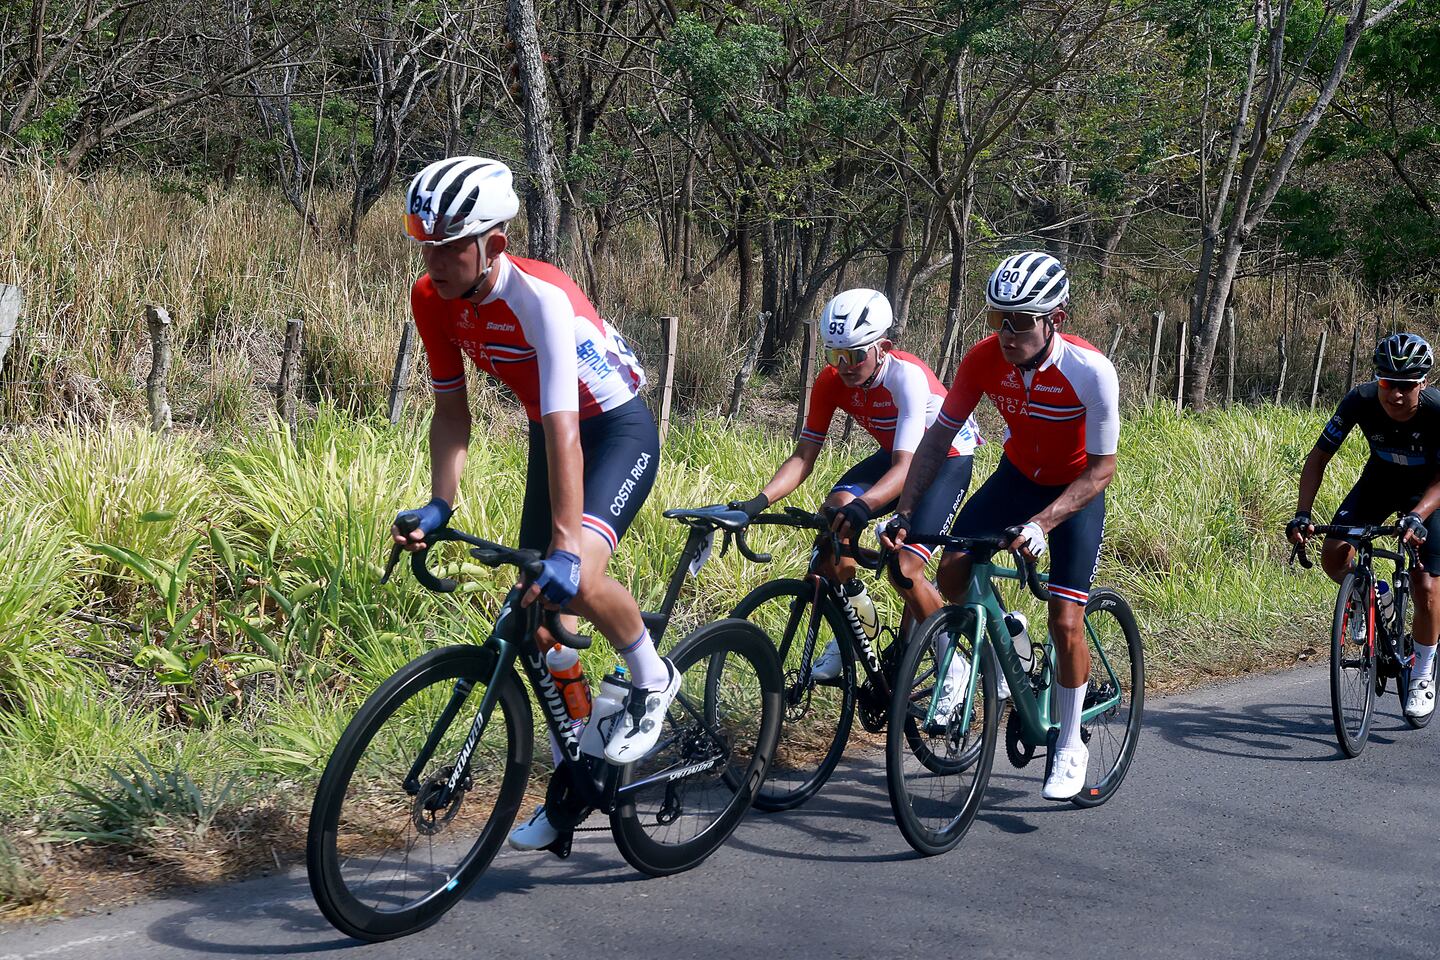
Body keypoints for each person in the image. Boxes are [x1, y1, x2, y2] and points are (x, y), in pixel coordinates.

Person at [392, 156, 674, 851]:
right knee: (536, 619)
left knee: (576, 578)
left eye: (450, 244)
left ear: (493, 241)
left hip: (611, 429)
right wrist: (439, 503)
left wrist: (567, 548)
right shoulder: (430, 297)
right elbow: (450, 410)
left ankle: (651, 672)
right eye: (425, 243)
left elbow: (565, 429)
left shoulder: (541, 298)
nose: (435, 259)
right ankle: (578, 772)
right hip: (552, 436)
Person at [881, 251, 1119, 802]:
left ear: (1054, 318)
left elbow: (1103, 469)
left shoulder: (1090, 370)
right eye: (996, 319)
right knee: (954, 568)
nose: (1006, 334)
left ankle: (1068, 743)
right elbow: (938, 439)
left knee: (1064, 620)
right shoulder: (984, 359)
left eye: (1019, 321)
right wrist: (909, 512)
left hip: (1073, 490)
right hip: (1015, 475)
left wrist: (1043, 521)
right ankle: (1002, 634)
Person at [730, 289, 980, 680]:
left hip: (943, 458)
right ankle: (858, 623)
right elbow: (802, 457)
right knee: (832, 525)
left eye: (855, 355)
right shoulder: (831, 381)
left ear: (883, 347)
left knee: (905, 565)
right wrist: (757, 501)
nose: (844, 366)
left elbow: (906, 467)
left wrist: (866, 508)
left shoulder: (906, 377)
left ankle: (952, 666)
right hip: (899, 454)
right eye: (834, 355)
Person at [1286, 333, 1440, 720]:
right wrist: (1303, 513)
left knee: (1425, 584)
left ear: (1423, 383)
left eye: (1406, 386)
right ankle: (1377, 596)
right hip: (1380, 482)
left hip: (1429, 493)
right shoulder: (1361, 399)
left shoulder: (1438, 410)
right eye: (1388, 383)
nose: (1397, 395)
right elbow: (1318, 458)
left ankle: (1422, 672)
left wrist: (1418, 516)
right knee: (1334, 557)